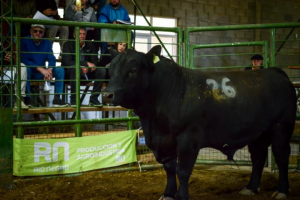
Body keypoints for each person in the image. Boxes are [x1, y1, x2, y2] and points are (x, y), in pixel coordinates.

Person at [21, 24, 67, 107]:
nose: (38, 33)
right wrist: (40, 69)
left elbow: (51, 58)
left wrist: (50, 69)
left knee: (60, 70)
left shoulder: (47, 42)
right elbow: (23, 59)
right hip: (30, 72)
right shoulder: (24, 41)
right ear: (31, 31)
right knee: (25, 68)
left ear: (43, 32)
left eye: (40, 31)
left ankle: (57, 99)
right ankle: (27, 99)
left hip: (42, 73)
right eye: (35, 31)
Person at [62, 27, 105, 106]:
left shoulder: (90, 45)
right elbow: (68, 63)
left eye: (84, 34)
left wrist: (88, 69)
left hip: (87, 73)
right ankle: (74, 100)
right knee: (75, 69)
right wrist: (85, 63)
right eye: (80, 34)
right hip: (72, 73)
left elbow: (94, 62)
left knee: (101, 70)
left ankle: (93, 99)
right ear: (74, 35)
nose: (82, 36)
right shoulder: (67, 45)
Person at [0, 32, 28, 108]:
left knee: (22, 66)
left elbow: (17, 57)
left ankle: (19, 101)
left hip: (5, 68)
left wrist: (12, 58)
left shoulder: (7, 40)